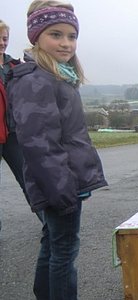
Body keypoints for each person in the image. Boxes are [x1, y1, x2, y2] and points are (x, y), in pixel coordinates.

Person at [7, 1, 108, 299]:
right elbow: (39, 145)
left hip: (63, 181)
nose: (66, 43)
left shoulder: (56, 76)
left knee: (52, 243)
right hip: (59, 185)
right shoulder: (36, 80)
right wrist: (63, 190)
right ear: (37, 36)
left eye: (71, 36)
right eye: (56, 34)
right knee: (64, 253)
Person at [1, 19, 43, 232]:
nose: (2, 42)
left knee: (29, 179)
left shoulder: (14, 66)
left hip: (14, 133)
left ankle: (48, 224)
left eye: (5, 38)